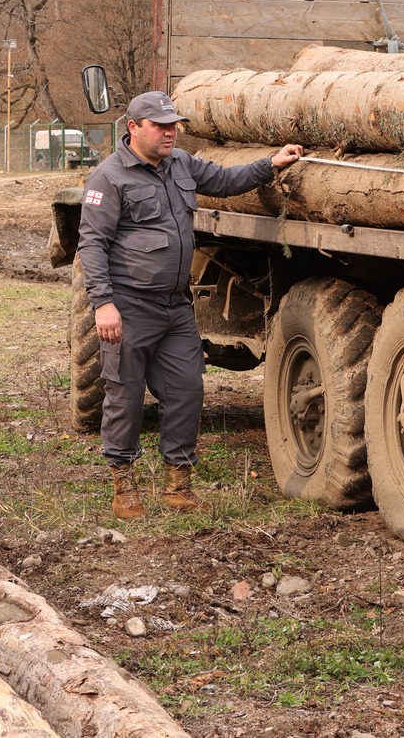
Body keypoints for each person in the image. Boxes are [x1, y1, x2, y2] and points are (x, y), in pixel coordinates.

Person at [77, 90, 302, 518]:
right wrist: (103, 303)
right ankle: (124, 488)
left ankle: (177, 486)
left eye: (173, 125)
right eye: (161, 126)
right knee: (124, 397)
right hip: (129, 306)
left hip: (176, 307)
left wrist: (269, 164)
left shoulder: (180, 163)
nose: (170, 133)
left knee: (186, 390)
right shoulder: (108, 178)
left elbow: (225, 180)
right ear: (134, 128)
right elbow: (92, 244)